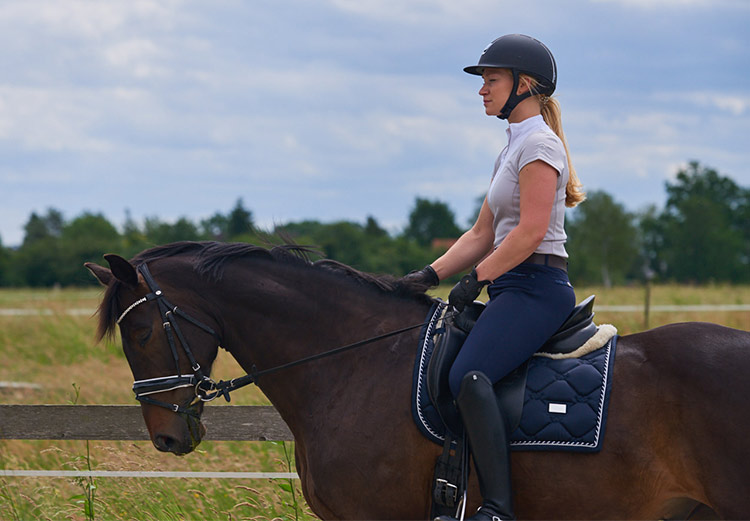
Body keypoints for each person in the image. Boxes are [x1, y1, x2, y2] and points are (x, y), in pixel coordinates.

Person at [404, 34, 585, 521]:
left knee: (470, 375)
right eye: (483, 81)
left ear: (524, 85)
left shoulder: (541, 146)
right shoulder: (513, 147)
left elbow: (528, 234)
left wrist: (475, 281)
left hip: (537, 288)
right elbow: (483, 232)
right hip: (511, 285)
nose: (481, 90)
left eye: (491, 80)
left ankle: (499, 508)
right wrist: (424, 276)